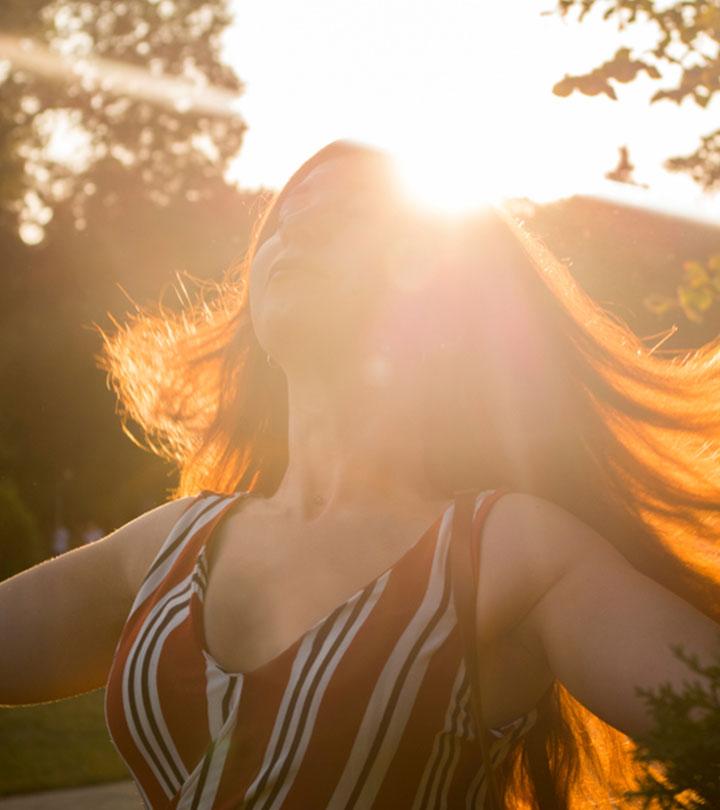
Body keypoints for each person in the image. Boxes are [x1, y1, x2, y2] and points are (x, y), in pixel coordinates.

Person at [1, 140, 719, 809]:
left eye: (346, 216)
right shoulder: (168, 545)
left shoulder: (509, 552)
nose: (299, 226)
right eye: (286, 215)